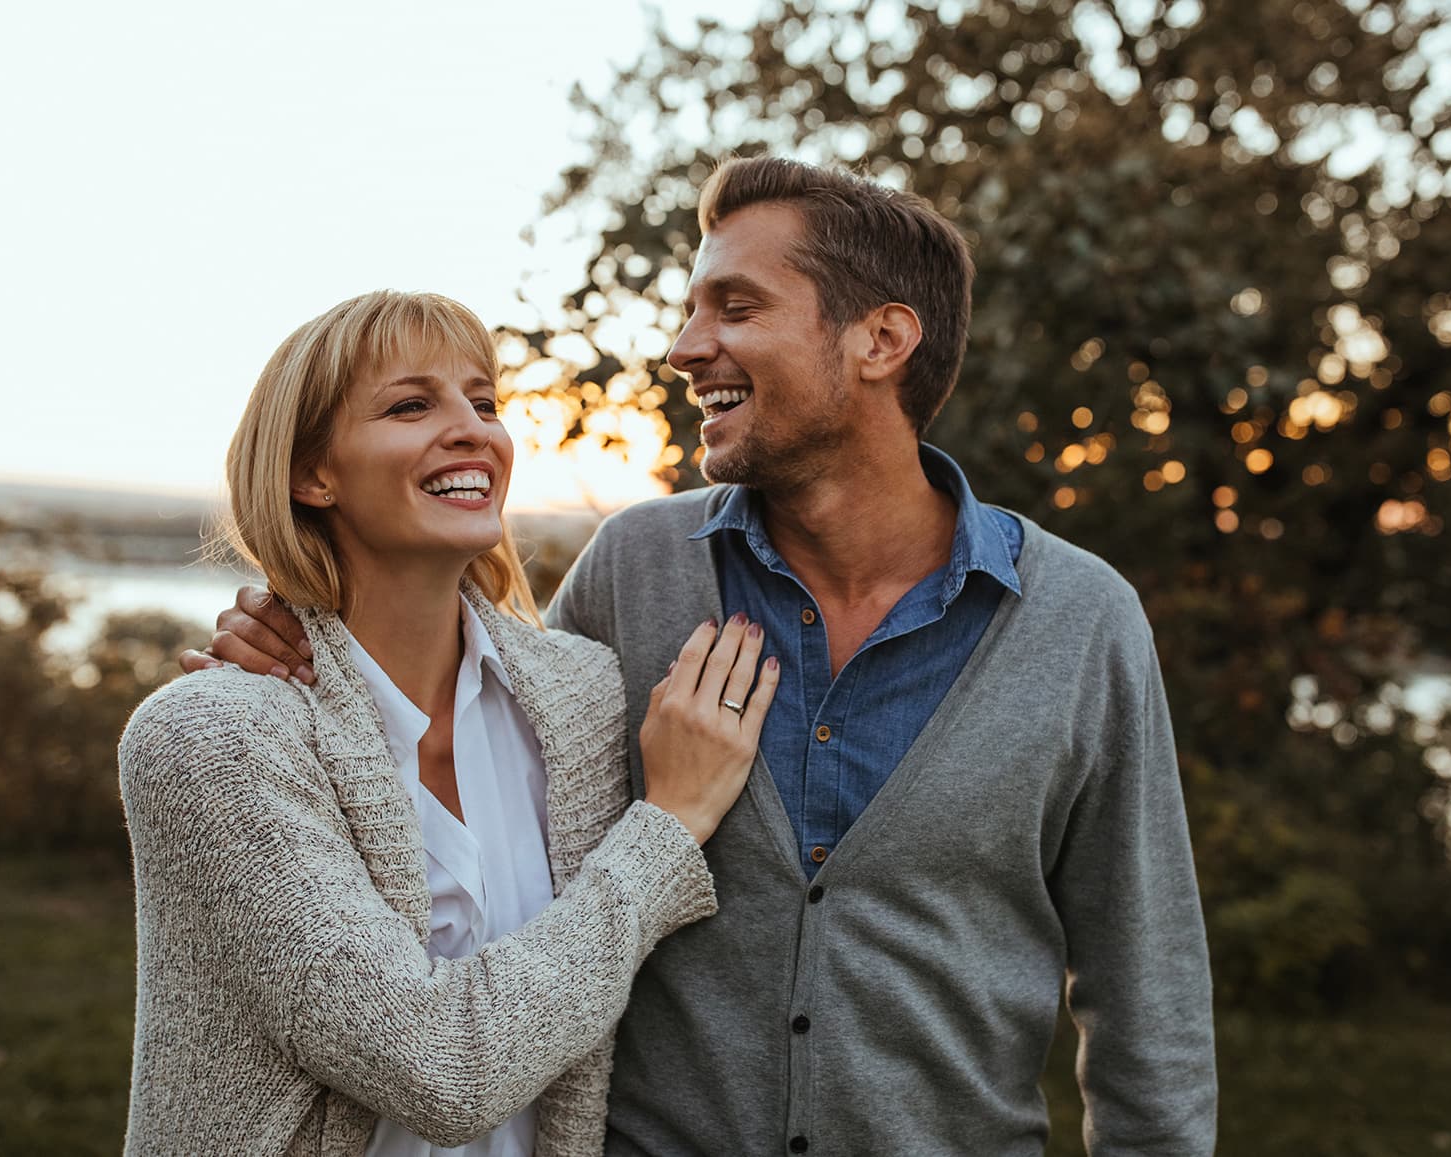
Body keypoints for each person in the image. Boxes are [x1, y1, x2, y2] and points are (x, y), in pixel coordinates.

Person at [194, 159, 1218, 1154]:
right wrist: (301, 630)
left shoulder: (1079, 620)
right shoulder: (633, 569)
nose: (685, 348)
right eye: (692, 311)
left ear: (880, 338)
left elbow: (1146, 991)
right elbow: (481, 731)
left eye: (733, 306)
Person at [121, 289, 779, 1157]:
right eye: (410, 404)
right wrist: (669, 825)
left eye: (484, 402)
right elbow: (442, 1069)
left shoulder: (584, 696)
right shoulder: (213, 739)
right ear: (310, 474)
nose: (473, 429)